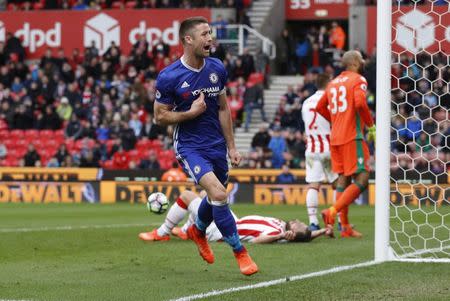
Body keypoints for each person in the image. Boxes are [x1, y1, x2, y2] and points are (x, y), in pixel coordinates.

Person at [153, 17, 258, 275]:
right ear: (188, 40)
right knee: (219, 194)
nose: (210, 38)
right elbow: (159, 117)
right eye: (204, 34)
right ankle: (240, 254)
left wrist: (232, 147)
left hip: (217, 145)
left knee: (215, 196)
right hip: (190, 146)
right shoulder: (169, 76)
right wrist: (190, 113)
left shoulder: (217, 67)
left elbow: (223, 108)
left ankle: (197, 231)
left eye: (209, 33)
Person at [315, 50, 376, 238]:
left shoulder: (332, 83)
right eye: (361, 59)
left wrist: (335, 120)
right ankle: (332, 212)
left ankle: (345, 227)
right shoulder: (358, 79)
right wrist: (371, 126)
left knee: (343, 180)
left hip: (335, 138)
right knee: (363, 178)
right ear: (355, 62)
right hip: (352, 136)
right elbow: (359, 103)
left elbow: (320, 107)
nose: (364, 62)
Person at [139, 190, 330, 244]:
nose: (298, 221)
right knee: (208, 197)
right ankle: (187, 231)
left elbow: (258, 241)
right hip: (233, 219)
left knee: (188, 196)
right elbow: (306, 236)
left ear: (291, 234)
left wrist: (281, 236)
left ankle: (162, 232)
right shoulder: (287, 227)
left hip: (222, 229)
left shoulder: (277, 232)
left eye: (298, 225)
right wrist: (322, 231)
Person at [301, 73, 338, 231]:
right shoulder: (331, 100)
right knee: (338, 185)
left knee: (313, 185)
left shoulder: (306, 102)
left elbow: (306, 128)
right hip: (330, 148)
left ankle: (313, 222)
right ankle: (340, 221)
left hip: (312, 149)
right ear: (328, 83)